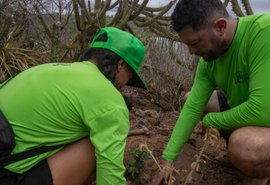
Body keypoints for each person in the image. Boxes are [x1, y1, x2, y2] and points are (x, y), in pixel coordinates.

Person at [0, 27, 147, 185]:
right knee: (97, 145)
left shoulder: (53, 70)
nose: (124, 87)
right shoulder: (111, 101)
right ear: (121, 65)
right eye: (129, 77)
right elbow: (110, 179)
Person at [151, 0, 270, 185]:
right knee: (190, 98)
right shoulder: (209, 59)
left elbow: (262, 110)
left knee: (243, 146)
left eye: (195, 43)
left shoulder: (263, 32)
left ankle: (260, 171)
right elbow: (192, 108)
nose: (191, 52)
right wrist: (168, 159)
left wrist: (211, 121)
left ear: (220, 27)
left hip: (264, 112)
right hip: (251, 108)